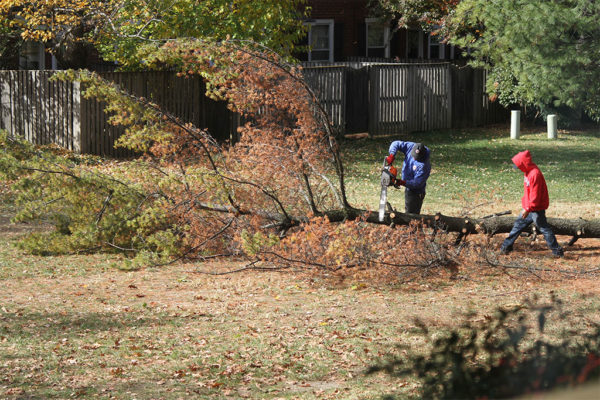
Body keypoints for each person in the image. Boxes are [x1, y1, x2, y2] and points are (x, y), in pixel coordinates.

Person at [500, 150, 564, 257]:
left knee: (544, 229)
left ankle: (557, 252)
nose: (519, 169)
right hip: (529, 206)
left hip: (536, 207)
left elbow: (535, 195)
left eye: (519, 166)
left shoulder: (535, 174)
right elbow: (528, 192)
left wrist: (527, 208)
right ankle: (506, 247)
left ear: (524, 164)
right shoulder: (527, 172)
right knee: (518, 225)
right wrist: (526, 206)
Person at [385, 141, 431, 214]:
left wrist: (402, 182)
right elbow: (396, 143)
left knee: (411, 215)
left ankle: (414, 224)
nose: (414, 159)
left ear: (422, 156)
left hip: (416, 192)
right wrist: (392, 154)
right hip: (408, 187)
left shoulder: (424, 166)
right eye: (413, 156)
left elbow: (417, 184)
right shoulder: (411, 146)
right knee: (408, 211)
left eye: (417, 158)